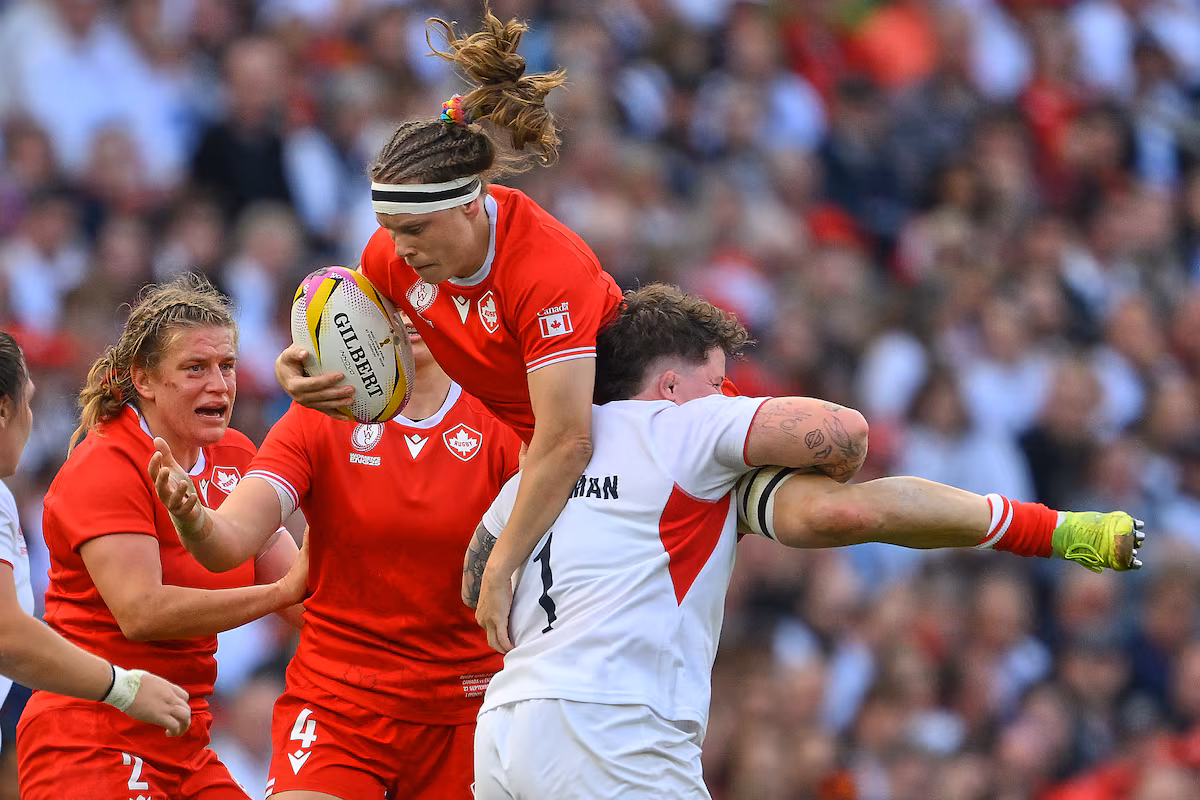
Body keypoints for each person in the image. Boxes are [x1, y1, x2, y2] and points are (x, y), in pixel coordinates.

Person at [463, 284, 1145, 799]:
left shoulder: (540, 464)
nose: (724, 393)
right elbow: (845, 435)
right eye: (716, 379)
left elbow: (477, 579)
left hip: (506, 733)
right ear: (670, 385)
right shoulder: (680, 429)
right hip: (613, 728)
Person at [274, 5, 622, 651]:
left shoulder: (547, 268)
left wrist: (506, 561)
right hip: (548, 456)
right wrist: (295, 365)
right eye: (389, 230)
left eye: (415, 230)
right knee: (478, 595)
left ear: (470, 205)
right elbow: (339, 310)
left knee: (817, 503)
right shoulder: (394, 258)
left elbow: (571, 440)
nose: (398, 249)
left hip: (628, 434)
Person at [150, 313, 522, 799]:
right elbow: (231, 543)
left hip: (464, 710)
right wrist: (196, 521)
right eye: (393, 296)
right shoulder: (320, 413)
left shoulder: (504, 415)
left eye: (424, 290)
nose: (410, 310)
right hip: (339, 704)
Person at [16, 275, 308, 800]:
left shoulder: (237, 455)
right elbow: (142, 611)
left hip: (184, 740)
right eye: (195, 368)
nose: (219, 385)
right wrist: (275, 596)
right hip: (90, 736)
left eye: (227, 366)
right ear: (143, 380)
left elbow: (304, 598)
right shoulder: (106, 464)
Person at [0, 332, 191, 747]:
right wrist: (124, 688)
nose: (31, 418)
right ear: (3, 409)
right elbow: (6, 634)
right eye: (28, 402)